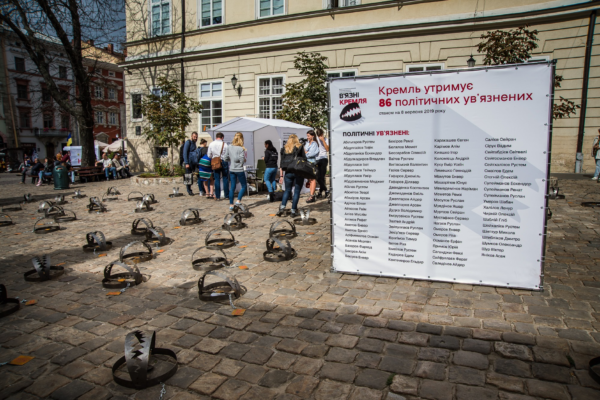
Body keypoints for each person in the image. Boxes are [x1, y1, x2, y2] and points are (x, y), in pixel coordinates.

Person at [277, 134, 307, 218]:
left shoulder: (285, 148)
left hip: (288, 172)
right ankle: (293, 211)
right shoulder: (299, 147)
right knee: (297, 191)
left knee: (287, 190)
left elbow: (281, 163)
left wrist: (281, 176)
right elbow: (304, 159)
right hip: (298, 171)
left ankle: (282, 208)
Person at [223, 132, 247, 210]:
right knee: (244, 186)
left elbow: (225, 158)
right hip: (239, 169)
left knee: (232, 187)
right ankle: (238, 200)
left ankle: (231, 205)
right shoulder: (240, 148)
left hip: (232, 169)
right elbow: (241, 160)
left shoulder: (229, 147)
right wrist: (242, 161)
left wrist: (231, 160)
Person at [208, 132, 229, 201]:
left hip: (215, 162)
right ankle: (226, 195)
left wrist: (214, 157)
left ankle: (217, 196)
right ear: (222, 137)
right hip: (223, 161)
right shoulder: (225, 144)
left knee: (217, 179)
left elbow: (209, 155)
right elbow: (227, 154)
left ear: (216, 137)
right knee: (225, 178)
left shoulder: (211, 144)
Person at [304, 130, 320, 203]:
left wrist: (306, 153)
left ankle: (312, 195)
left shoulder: (314, 144)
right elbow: (304, 152)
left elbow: (311, 154)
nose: (307, 137)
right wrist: (306, 152)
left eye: (308, 136)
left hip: (312, 163)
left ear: (312, 136)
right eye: (307, 136)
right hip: (307, 162)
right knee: (310, 179)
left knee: (312, 179)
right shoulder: (307, 143)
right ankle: (311, 194)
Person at [315, 128, 329, 198]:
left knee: (322, 176)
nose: (319, 137)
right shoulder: (315, 139)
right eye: (318, 135)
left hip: (323, 158)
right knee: (317, 177)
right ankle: (325, 190)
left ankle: (320, 192)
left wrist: (323, 140)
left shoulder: (326, 139)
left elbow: (327, 149)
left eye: (321, 135)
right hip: (317, 159)